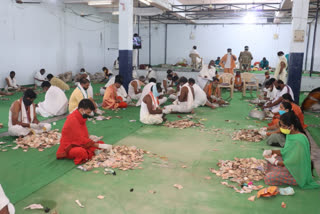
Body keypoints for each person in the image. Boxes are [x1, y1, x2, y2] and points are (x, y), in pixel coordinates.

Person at [263, 112, 320, 189]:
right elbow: (285, 152)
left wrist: (275, 162)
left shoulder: (299, 140)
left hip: (298, 172)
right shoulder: (291, 135)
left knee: (269, 177)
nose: (282, 128)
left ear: (291, 126)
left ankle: (291, 178)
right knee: (270, 160)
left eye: (283, 126)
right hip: (291, 165)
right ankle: (277, 168)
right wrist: (271, 151)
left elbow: (294, 161)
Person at [56, 99, 112, 165]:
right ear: (81, 110)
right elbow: (80, 139)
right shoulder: (73, 119)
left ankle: (92, 152)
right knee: (82, 152)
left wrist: (91, 138)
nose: (89, 114)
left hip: (80, 143)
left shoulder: (81, 116)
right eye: (88, 112)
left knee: (100, 143)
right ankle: (91, 152)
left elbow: (83, 133)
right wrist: (100, 145)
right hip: (69, 147)